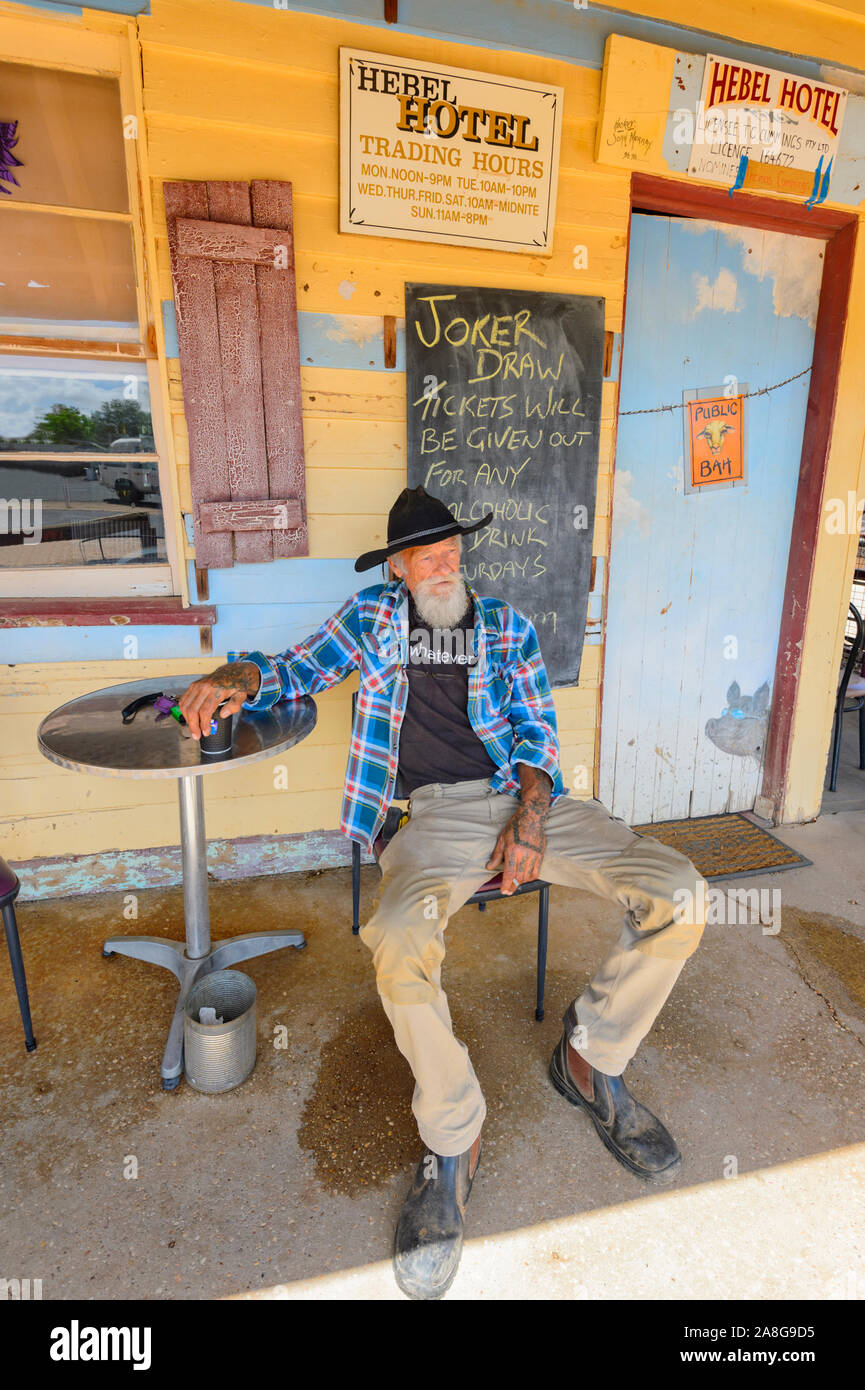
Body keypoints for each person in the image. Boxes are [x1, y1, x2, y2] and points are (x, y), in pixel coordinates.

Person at [179, 485, 707, 1301]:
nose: (446, 564)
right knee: (395, 943)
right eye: (429, 555)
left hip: (528, 801)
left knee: (680, 890)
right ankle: (453, 1135)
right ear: (398, 567)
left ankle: (591, 1056)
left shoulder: (506, 627)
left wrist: (530, 818)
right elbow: (293, 670)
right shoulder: (371, 618)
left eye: (453, 550)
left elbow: (536, 735)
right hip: (429, 817)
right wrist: (236, 672)